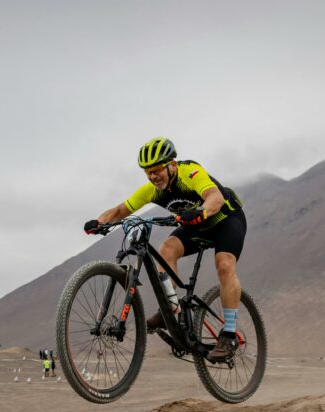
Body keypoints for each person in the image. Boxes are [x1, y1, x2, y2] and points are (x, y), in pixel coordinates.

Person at [84, 137, 246, 362]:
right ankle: (170, 308)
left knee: (224, 264)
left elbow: (214, 197)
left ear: (171, 165)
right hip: (198, 226)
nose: (152, 176)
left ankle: (229, 334)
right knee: (167, 248)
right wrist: (100, 221)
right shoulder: (152, 190)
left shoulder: (190, 172)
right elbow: (122, 209)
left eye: (156, 170)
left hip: (225, 220)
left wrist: (201, 211)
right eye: (147, 172)